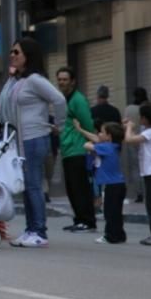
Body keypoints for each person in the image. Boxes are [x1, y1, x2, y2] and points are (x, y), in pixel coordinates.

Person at [0, 38, 66, 248]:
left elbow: (59, 99)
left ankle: (39, 231)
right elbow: (7, 104)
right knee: (27, 187)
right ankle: (31, 229)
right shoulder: (17, 80)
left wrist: (59, 124)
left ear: (28, 56)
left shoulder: (34, 80)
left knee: (33, 185)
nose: (12, 55)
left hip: (34, 138)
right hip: (19, 140)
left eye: (16, 52)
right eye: (11, 51)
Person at [56, 67, 97, 232]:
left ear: (72, 81)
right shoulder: (64, 100)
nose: (62, 82)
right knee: (72, 188)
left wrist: (91, 145)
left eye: (65, 79)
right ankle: (79, 219)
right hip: (68, 150)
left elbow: (88, 123)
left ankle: (87, 221)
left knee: (80, 188)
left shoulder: (78, 100)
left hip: (78, 150)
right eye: (59, 79)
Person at [75, 121, 127, 244]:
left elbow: (87, 145)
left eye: (102, 132)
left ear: (109, 136)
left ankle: (111, 236)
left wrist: (91, 140)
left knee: (109, 213)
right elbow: (96, 139)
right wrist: (81, 130)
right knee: (116, 212)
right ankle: (119, 235)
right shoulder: (113, 146)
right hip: (119, 184)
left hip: (112, 185)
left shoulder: (106, 147)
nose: (99, 133)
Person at [124, 104, 151, 245]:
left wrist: (130, 128)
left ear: (145, 118)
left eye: (141, 117)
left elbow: (129, 140)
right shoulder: (148, 132)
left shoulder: (150, 133)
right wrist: (127, 127)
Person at [124, 87, 147, 202]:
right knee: (146, 166)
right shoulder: (147, 108)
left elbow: (125, 123)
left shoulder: (129, 109)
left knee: (135, 167)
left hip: (132, 139)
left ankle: (139, 193)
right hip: (145, 140)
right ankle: (148, 191)